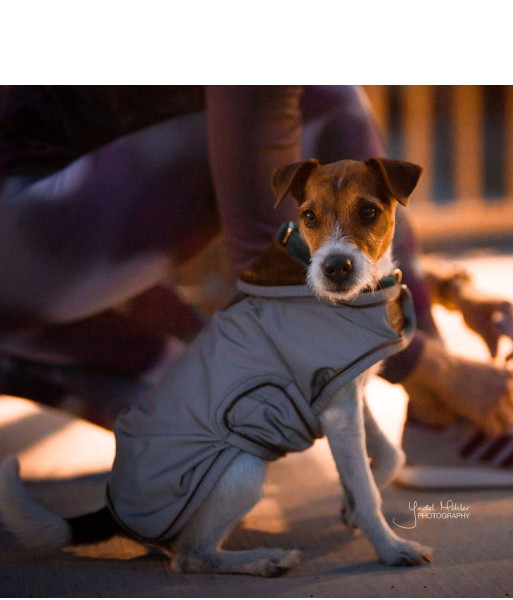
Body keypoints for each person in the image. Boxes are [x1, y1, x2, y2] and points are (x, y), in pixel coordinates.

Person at [0, 85, 512, 482]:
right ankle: (443, 412)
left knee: (220, 439)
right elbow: (271, 266)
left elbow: (308, 234)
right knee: (330, 103)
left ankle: (20, 346)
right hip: (26, 235)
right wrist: (434, 367)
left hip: (41, 236)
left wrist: (450, 290)